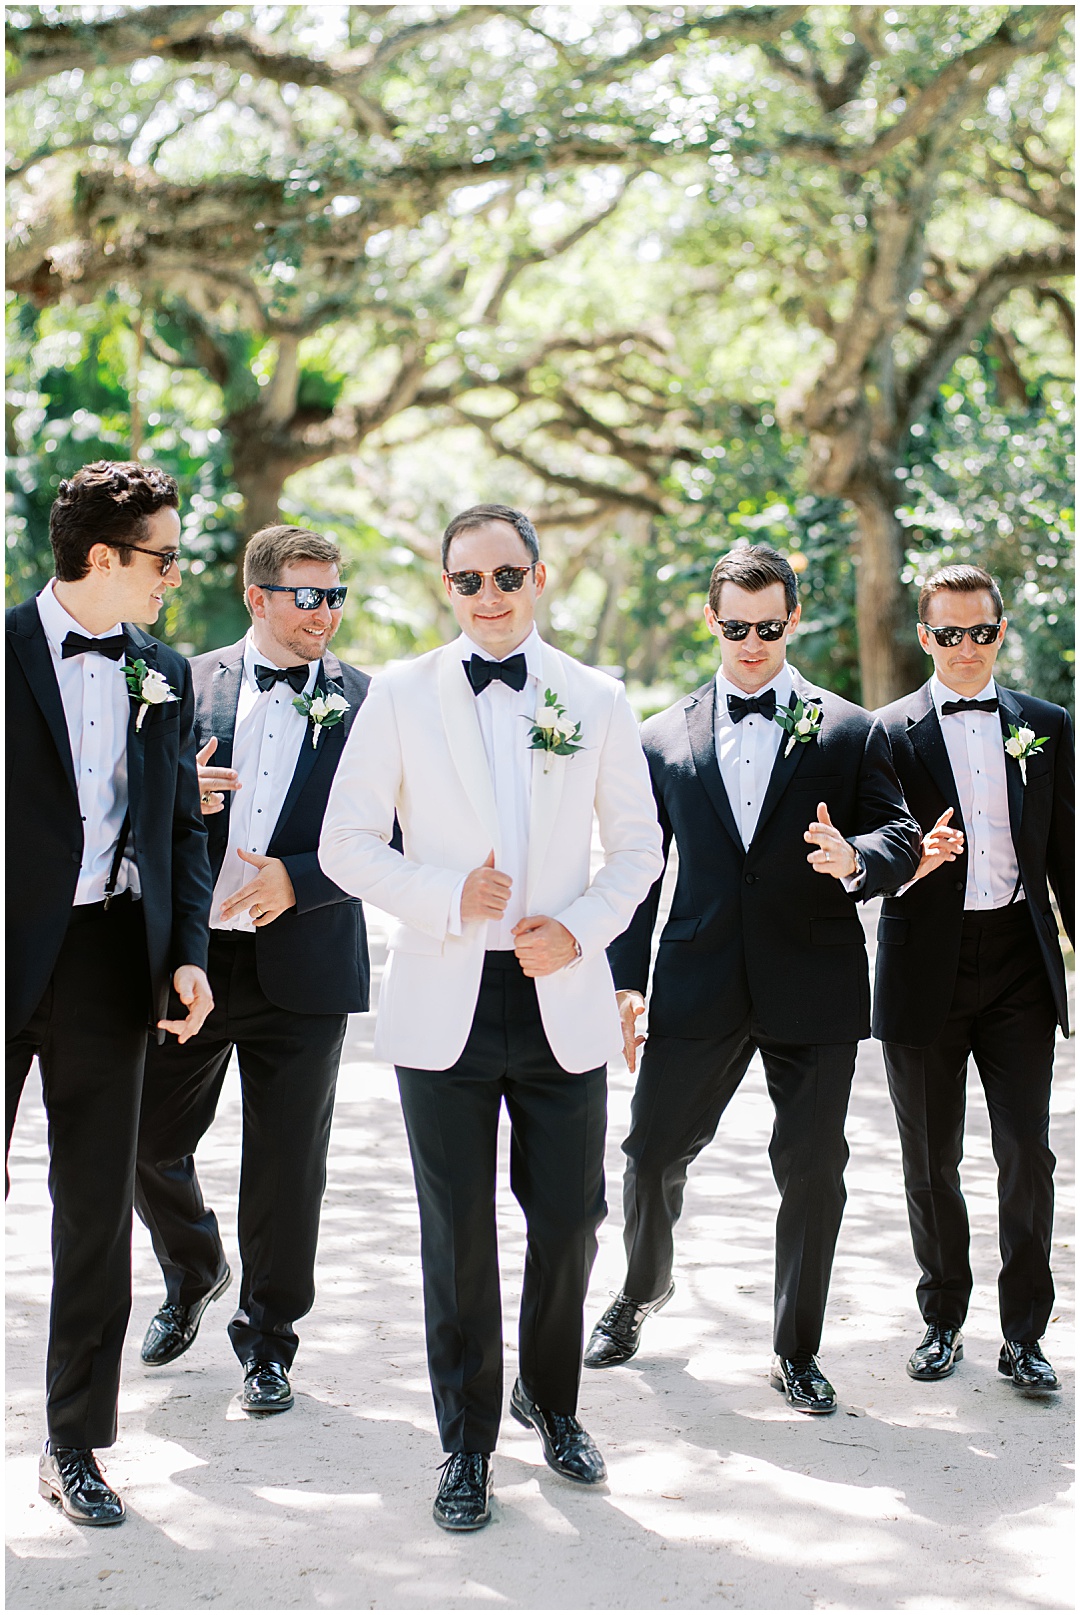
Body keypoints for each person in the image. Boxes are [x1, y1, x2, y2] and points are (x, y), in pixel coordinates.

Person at [320, 504, 663, 1530]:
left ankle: (551, 1401)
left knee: (570, 1220)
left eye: (507, 574)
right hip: (444, 998)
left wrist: (584, 928)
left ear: (541, 576)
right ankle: (465, 1445)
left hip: (558, 991)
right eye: (468, 580)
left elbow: (640, 849)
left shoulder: (596, 697)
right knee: (459, 1233)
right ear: (447, 588)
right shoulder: (399, 695)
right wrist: (439, 893)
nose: (490, 595)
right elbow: (344, 843)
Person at [584, 544, 921, 1414]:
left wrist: (856, 858)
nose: (752, 643)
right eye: (736, 627)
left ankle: (796, 1347)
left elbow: (901, 833)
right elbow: (638, 870)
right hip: (697, 980)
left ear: (793, 621)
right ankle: (639, 1289)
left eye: (769, 627)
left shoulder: (850, 728)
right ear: (711, 621)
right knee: (652, 1152)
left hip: (814, 983)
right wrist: (627, 981)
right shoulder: (660, 736)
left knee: (813, 1171)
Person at [6, 461, 214, 1525]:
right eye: (163, 557)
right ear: (102, 557)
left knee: (94, 1212)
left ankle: (74, 1443)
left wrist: (188, 952)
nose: (174, 574)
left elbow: (179, 827)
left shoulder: (163, 671)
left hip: (107, 963)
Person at [134, 525, 371, 1415]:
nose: (325, 613)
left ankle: (268, 1341)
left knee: (285, 1169)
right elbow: (120, 807)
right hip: (188, 960)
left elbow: (393, 835)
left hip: (306, 964)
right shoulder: (178, 683)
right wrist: (176, 799)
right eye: (307, 595)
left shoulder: (369, 704)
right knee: (140, 1137)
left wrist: (297, 879)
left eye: (334, 595)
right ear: (258, 599)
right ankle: (194, 1266)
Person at [872, 564, 1073, 1392]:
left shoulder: (1048, 726)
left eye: (980, 632)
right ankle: (942, 1317)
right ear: (925, 637)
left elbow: (1066, 854)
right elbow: (868, 855)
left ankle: (1025, 1334)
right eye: (947, 633)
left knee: (1027, 1149)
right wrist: (912, 862)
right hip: (925, 966)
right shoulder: (884, 732)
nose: (965, 648)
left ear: (1000, 631)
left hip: (1021, 962)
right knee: (931, 1158)